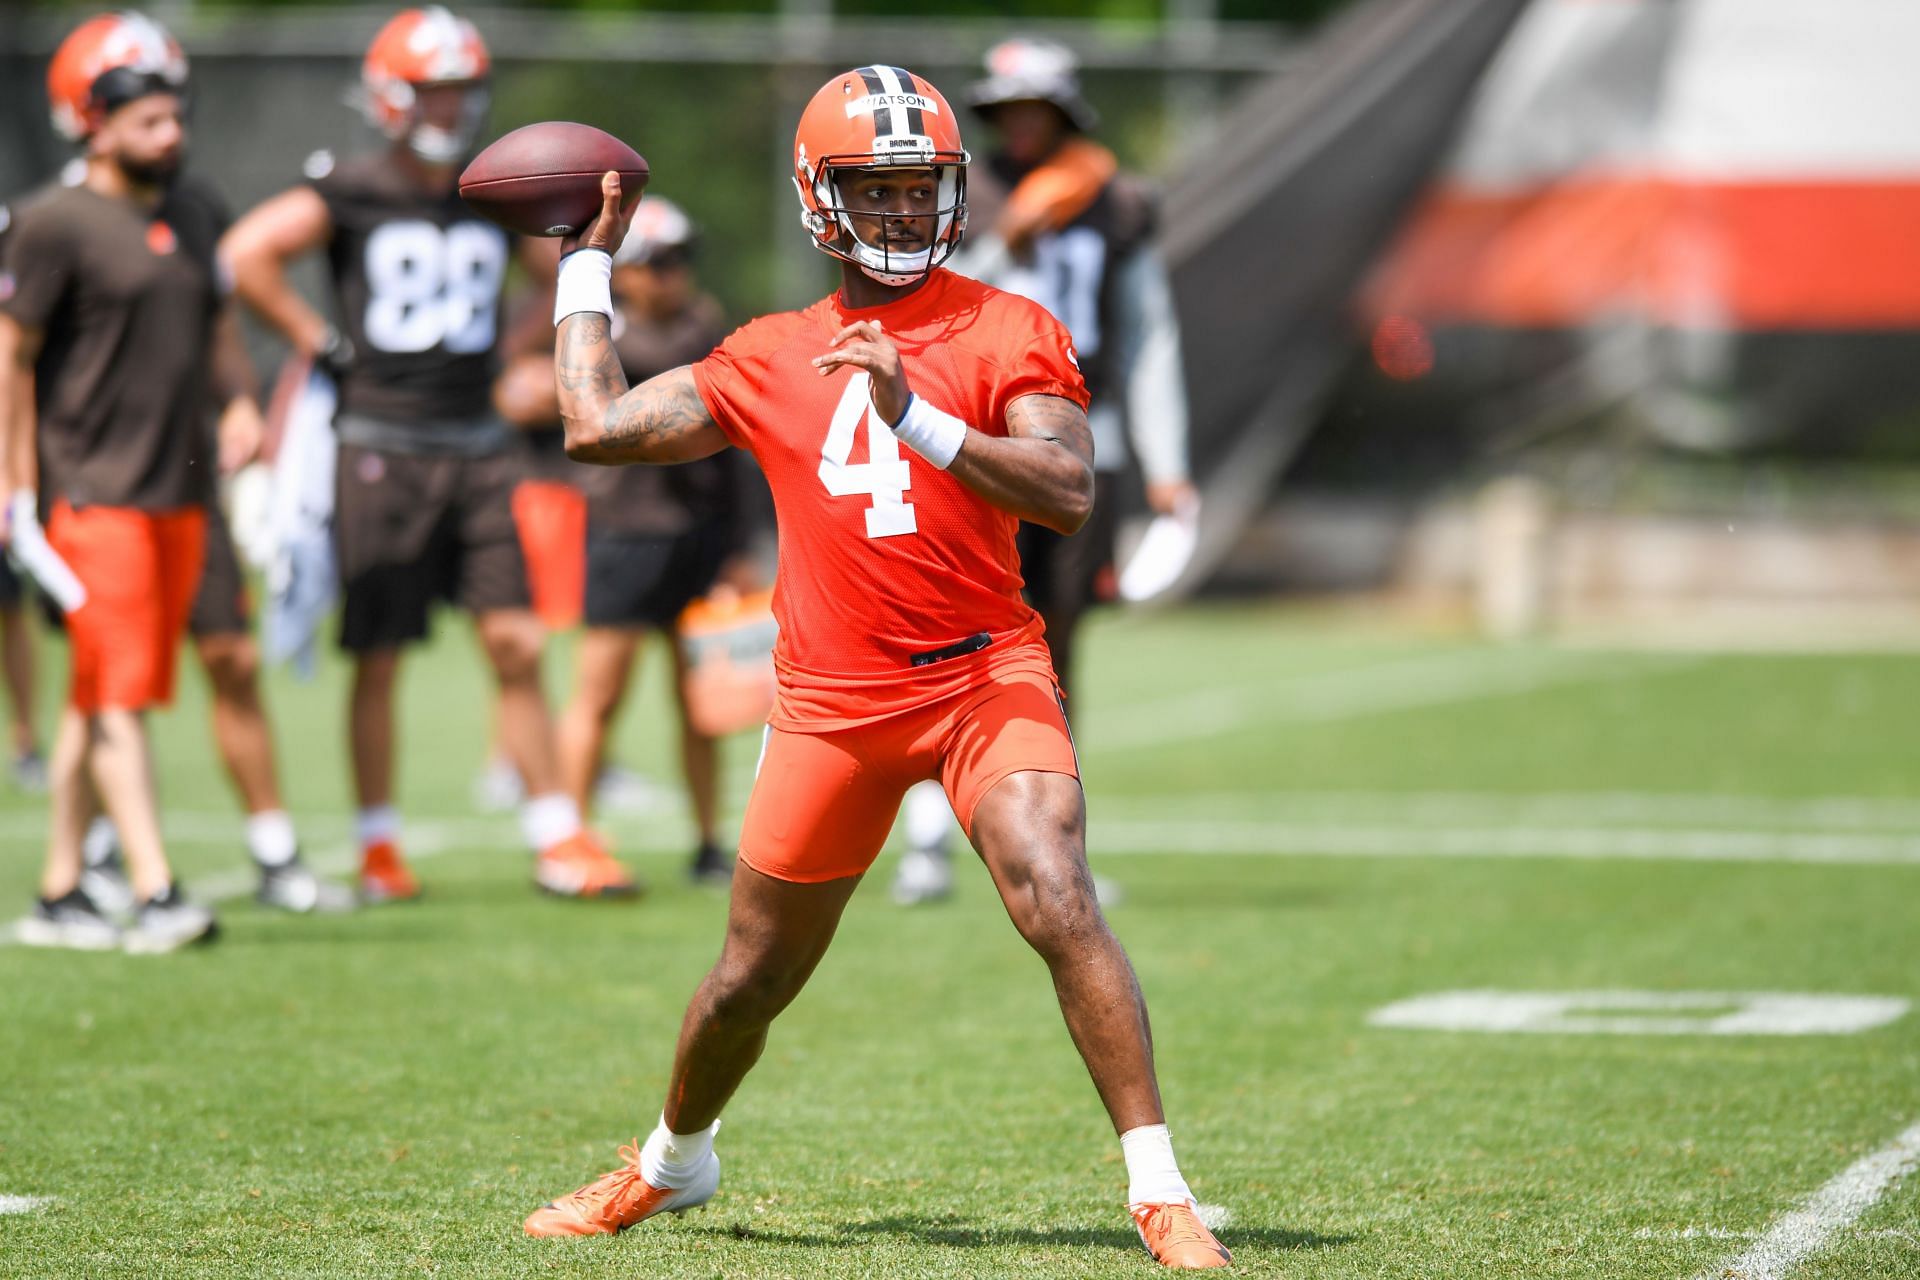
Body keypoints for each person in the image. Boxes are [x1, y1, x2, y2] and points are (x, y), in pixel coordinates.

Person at [519, 66, 1230, 1268]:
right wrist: (585, 266)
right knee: (749, 974)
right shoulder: (768, 352)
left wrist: (923, 419)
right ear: (821, 200)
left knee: (1054, 883)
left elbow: (1065, 490)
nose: (905, 215)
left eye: (923, 190)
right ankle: (672, 1162)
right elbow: (592, 424)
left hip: (980, 676)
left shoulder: (1010, 326)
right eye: (878, 191)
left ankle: (1158, 1184)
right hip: (832, 703)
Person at [221, 5, 636, 901]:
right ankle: (377, 843)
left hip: (479, 446)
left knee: (516, 640)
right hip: (381, 442)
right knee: (381, 650)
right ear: (388, 97)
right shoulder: (351, 188)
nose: (450, 109)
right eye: (432, 91)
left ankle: (556, 834)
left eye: (460, 91)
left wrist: (520, 349)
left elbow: (553, 278)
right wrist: (314, 337)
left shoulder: (491, 192)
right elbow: (247, 253)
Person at [893, 36, 1199, 906]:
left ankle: (1058, 849)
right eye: (1008, 109)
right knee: (945, 640)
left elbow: (1148, 338)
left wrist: (1169, 464)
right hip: (970, 442)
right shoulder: (960, 192)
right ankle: (926, 842)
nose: (1021, 125)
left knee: (1055, 651)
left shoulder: (1121, 201)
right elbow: (928, 310)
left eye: (1038, 109)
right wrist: (1014, 233)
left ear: (1065, 113)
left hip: (1069, 448)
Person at [0, 10, 234, 952]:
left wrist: (246, 404)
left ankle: (59, 892)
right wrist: (15, 486)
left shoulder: (195, 210)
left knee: (95, 693)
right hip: (92, 494)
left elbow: (214, 329)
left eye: (174, 116)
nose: (169, 135)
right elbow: (12, 358)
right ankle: (154, 887)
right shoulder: (52, 225)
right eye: (147, 121)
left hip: (173, 493)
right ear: (89, 123)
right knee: (121, 700)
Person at [495, 196, 753, 886]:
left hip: (697, 534)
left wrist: (738, 547)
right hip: (624, 531)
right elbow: (524, 381)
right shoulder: (603, 330)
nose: (673, 276)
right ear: (627, 272)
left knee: (705, 702)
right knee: (599, 693)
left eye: (681, 261)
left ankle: (708, 841)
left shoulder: (700, 325)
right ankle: (570, 836)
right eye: (657, 263)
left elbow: (732, 451)